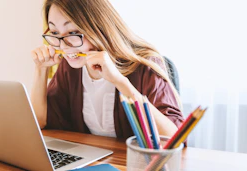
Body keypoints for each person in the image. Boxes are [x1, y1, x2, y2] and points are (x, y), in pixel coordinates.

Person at [31, 0, 184, 139]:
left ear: (99, 27)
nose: (63, 46)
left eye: (73, 33)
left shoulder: (145, 65)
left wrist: (119, 81)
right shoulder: (70, 68)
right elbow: (39, 121)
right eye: (55, 33)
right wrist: (41, 70)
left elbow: (173, 138)